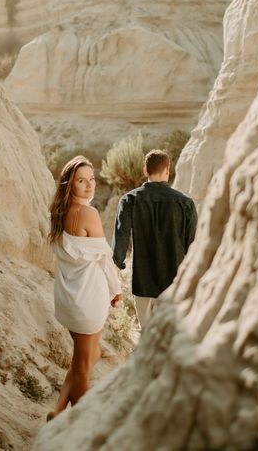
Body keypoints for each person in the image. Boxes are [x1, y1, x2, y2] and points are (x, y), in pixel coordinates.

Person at [47, 155, 121, 421]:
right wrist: (116, 290)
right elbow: (104, 258)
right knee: (82, 366)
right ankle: (82, 424)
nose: (90, 186)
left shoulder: (58, 213)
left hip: (68, 297)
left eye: (92, 179)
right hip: (87, 298)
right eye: (82, 181)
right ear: (70, 185)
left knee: (86, 356)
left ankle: (56, 412)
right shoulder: (88, 214)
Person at [112, 149, 197, 329]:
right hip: (173, 283)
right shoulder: (185, 203)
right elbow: (192, 246)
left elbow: (121, 238)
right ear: (168, 170)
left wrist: (116, 267)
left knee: (147, 339)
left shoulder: (130, 200)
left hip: (142, 281)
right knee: (170, 339)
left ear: (145, 170)